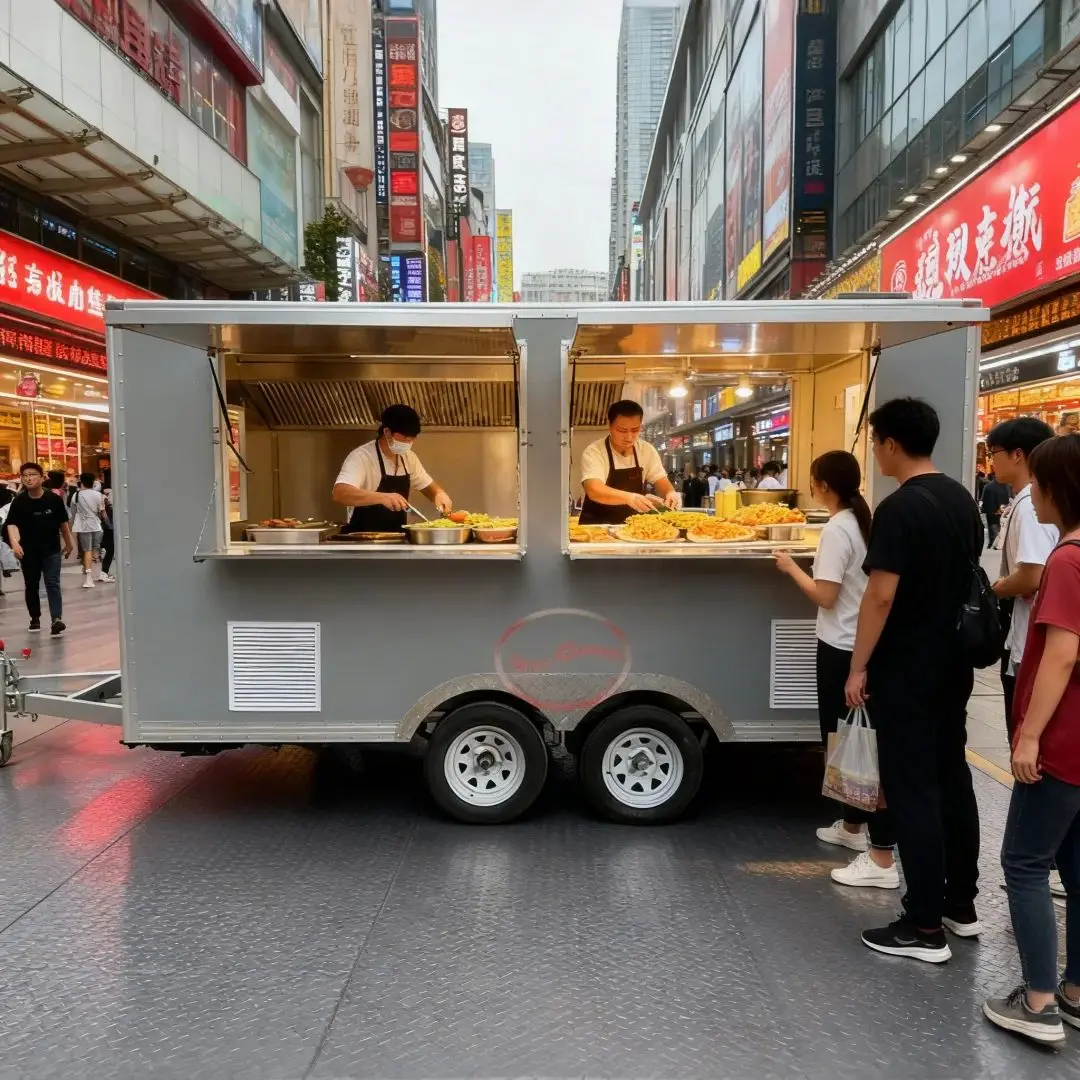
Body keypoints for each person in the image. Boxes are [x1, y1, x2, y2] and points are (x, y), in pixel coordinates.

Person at [845, 397, 983, 963]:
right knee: (952, 776)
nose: (875, 452)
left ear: (891, 444)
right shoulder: (961, 499)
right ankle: (960, 904)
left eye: (876, 442)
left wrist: (858, 666)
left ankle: (923, 927)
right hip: (953, 665)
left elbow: (880, 595)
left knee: (912, 789)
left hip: (908, 668)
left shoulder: (901, 509)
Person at [983, 433, 1080, 1047]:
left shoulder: (1069, 561)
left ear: (1057, 488)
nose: (1031, 494)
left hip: (1063, 741)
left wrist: (1029, 737)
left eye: (1038, 483)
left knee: (1023, 864)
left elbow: (1062, 655)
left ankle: (1038, 1002)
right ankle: (1074, 991)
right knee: (1076, 866)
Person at [774, 450, 897, 888]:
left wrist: (790, 567)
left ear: (821, 485)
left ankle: (873, 846)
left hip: (841, 646)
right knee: (850, 737)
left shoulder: (837, 530)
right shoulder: (861, 521)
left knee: (847, 738)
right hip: (855, 642)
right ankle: (852, 826)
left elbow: (825, 595)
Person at [986, 418, 1057, 740]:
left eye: (994, 451)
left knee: (1025, 736)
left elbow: (1034, 575)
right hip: (1027, 640)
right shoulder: (1029, 501)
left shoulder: (1032, 505)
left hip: (1032, 644)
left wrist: (994, 590)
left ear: (1017, 454)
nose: (991, 460)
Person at [332, 404, 453, 533]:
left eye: (411, 439)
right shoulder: (362, 457)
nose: (408, 443)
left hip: (396, 537)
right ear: (387, 432)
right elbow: (340, 493)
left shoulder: (409, 458)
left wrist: (439, 495)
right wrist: (382, 497)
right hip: (363, 540)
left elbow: (427, 485)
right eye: (404, 438)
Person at [578, 400, 680, 524]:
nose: (629, 437)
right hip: (597, 527)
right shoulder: (595, 451)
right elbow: (594, 490)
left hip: (632, 526)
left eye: (635, 430)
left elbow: (660, 479)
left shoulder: (646, 450)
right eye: (622, 430)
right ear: (609, 425)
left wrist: (670, 493)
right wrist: (629, 498)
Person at [5, 462, 73, 636]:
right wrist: (15, 544)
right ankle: (35, 618)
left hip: (51, 549)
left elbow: (63, 524)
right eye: (25, 475)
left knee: (53, 583)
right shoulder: (19, 501)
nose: (29, 478)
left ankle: (56, 619)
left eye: (33, 474)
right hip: (29, 551)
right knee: (31, 585)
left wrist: (69, 542)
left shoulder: (54, 499)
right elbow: (11, 524)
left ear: (42, 478)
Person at [69, 472, 107, 588]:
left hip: (83, 526)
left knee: (87, 550)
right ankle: (95, 567)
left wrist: (71, 529)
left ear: (81, 481)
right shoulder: (98, 495)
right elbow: (103, 513)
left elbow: (73, 514)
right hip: (96, 525)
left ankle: (88, 577)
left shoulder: (76, 495)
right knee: (94, 549)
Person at [981, 471, 1010, 548]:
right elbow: (1009, 499)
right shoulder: (1006, 487)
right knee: (1002, 530)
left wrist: (985, 510)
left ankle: (993, 543)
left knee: (993, 530)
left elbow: (984, 500)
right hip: (1003, 512)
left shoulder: (988, 486)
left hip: (991, 513)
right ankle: (997, 544)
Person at [99, 488, 115, 583]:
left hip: (103, 529)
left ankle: (104, 572)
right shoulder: (109, 508)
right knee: (110, 551)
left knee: (108, 551)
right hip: (108, 529)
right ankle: (104, 572)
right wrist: (110, 526)